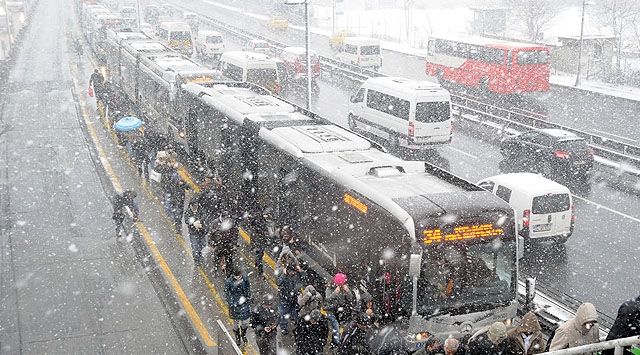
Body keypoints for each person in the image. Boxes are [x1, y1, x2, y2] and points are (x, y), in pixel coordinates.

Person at [275, 261, 306, 335]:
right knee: (284, 315)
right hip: (285, 300)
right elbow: (278, 282)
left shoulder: (297, 274)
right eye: (292, 272)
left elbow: (304, 277)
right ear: (288, 271)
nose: (293, 273)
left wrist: (300, 271)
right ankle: (283, 328)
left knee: (296, 314)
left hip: (295, 299)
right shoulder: (283, 274)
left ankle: (297, 325)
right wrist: (283, 275)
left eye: (294, 272)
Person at [325, 272, 355, 346]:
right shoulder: (330, 287)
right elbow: (327, 299)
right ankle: (338, 344)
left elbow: (350, 298)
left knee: (340, 326)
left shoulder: (344, 287)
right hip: (330, 309)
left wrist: (348, 291)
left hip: (339, 310)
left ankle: (334, 342)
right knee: (336, 325)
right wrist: (335, 293)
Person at [224, 268, 252, 346]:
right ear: (233, 276)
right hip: (235, 304)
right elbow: (226, 293)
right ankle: (237, 337)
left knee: (245, 322)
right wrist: (231, 302)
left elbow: (248, 287)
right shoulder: (229, 282)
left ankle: (243, 334)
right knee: (235, 323)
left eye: (239, 276)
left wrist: (248, 294)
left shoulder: (245, 278)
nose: (239, 277)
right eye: (237, 276)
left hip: (244, 301)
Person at [249, 207, 277, 277]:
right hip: (258, 242)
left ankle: (256, 265)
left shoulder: (260, 223)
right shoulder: (258, 224)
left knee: (259, 255)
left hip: (260, 242)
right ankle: (260, 271)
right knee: (260, 257)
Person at [184, 199, 207, 266]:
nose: (195, 207)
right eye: (194, 206)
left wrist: (199, 221)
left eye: (196, 206)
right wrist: (193, 224)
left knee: (203, 243)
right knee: (194, 247)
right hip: (193, 232)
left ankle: (199, 251)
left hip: (201, 230)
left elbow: (204, 215)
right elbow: (186, 221)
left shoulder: (200, 209)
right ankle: (196, 259)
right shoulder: (188, 212)